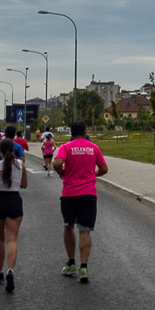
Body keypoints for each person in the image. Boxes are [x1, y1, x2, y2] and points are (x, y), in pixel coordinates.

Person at [53, 121, 107, 283]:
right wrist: (93, 175)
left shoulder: (66, 147)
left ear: (71, 133)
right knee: (85, 230)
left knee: (68, 225)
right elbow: (104, 169)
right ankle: (84, 267)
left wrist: (61, 172)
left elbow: (56, 163)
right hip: (88, 194)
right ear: (85, 132)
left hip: (69, 194)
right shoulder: (94, 148)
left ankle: (71, 263)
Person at [0, 137, 27, 293]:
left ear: (0, 152)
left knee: (0, 238)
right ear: (14, 151)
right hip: (14, 201)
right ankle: (11, 269)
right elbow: (24, 185)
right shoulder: (21, 165)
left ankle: (0, 271)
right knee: (12, 239)